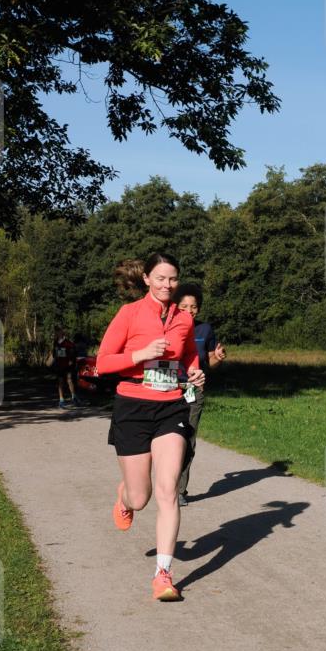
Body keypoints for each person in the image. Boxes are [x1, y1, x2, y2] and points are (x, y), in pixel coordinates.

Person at [96, 253, 205, 601]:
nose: (166, 285)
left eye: (172, 279)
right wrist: (140, 354)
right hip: (132, 406)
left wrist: (195, 371)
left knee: (168, 488)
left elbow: (188, 355)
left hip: (171, 405)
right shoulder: (129, 314)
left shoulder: (183, 319)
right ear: (146, 278)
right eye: (160, 279)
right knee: (140, 497)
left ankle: (163, 575)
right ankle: (124, 496)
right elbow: (103, 362)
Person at [173, 282, 226, 505]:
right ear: (175, 307)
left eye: (193, 306)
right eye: (184, 306)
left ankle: (179, 490)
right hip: (171, 389)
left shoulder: (205, 330)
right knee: (168, 439)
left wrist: (219, 358)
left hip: (194, 389)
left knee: (188, 440)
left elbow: (210, 361)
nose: (189, 310)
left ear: (199, 309)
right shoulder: (168, 327)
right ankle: (164, 481)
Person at [52, 325, 80, 409]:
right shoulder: (55, 342)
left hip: (67, 365)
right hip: (59, 365)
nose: (56, 332)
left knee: (69, 380)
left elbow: (73, 353)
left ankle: (74, 397)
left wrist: (71, 361)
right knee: (60, 382)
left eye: (58, 331)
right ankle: (61, 400)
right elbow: (54, 353)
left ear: (62, 332)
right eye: (56, 331)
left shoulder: (68, 343)